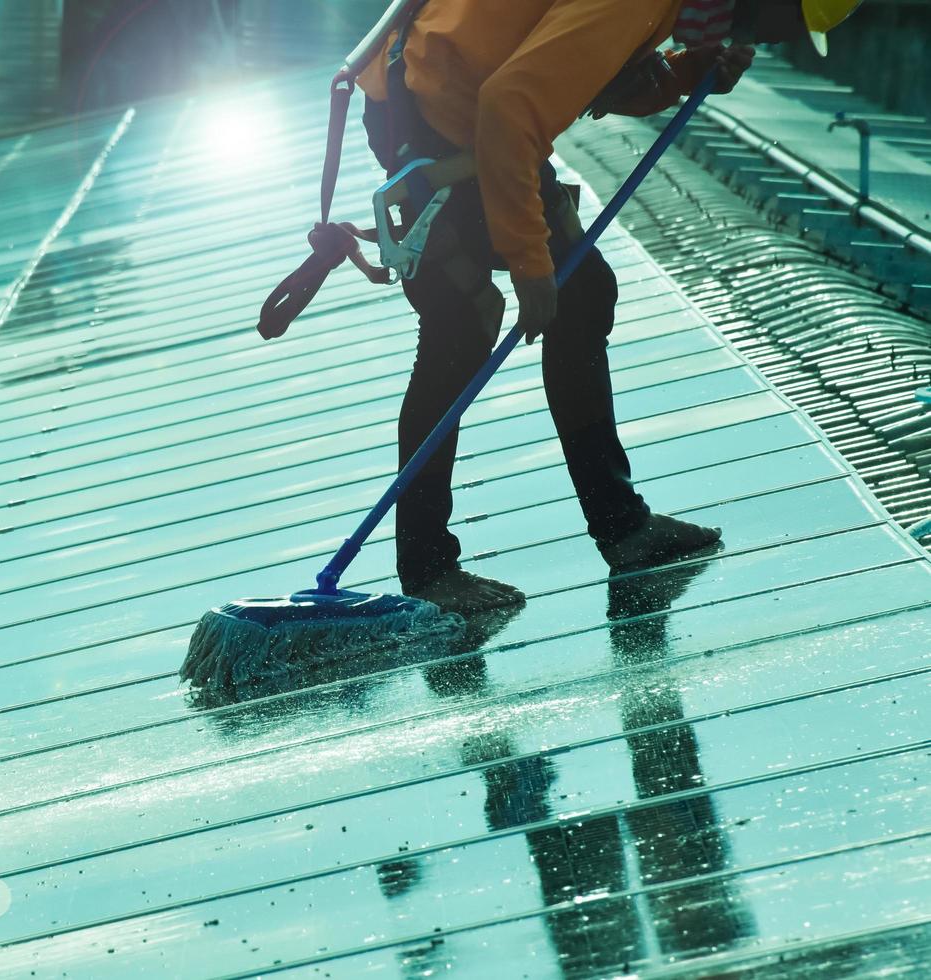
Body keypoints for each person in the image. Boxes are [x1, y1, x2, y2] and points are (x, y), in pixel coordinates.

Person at [356, 0, 863, 613]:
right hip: (438, 110)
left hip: (450, 97)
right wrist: (529, 264)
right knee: (461, 329)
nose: (765, 38)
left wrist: (678, 75)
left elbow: (574, 75)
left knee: (583, 293)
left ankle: (622, 527)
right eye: (776, 24)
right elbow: (511, 104)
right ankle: (428, 571)